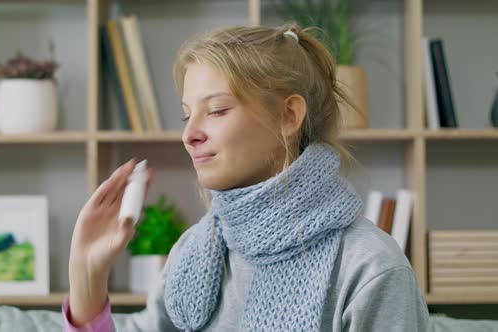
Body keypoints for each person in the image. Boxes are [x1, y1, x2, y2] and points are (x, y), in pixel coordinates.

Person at [62, 23, 429, 332]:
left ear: (289, 115)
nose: (189, 134)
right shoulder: (192, 253)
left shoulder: (371, 269)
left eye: (217, 110)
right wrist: (86, 274)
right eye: (186, 115)